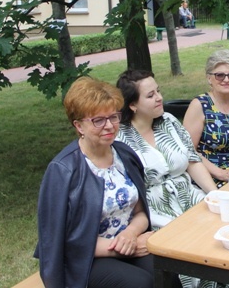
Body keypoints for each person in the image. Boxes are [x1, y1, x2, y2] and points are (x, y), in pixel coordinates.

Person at [35, 76, 154, 288]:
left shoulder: (124, 155)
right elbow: (59, 242)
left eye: (114, 117)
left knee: (166, 268)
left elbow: (140, 213)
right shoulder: (62, 171)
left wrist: (130, 234)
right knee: (138, 283)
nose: (109, 126)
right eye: (98, 120)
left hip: (127, 243)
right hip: (84, 259)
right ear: (79, 125)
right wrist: (121, 248)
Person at [115, 69, 217, 229]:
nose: (159, 98)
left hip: (190, 197)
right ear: (132, 105)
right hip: (155, 212)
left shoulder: (169, 122)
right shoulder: (119, 139)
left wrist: (215, 194)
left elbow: (193, 162)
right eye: (150, 95)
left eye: (158, 91)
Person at [183, 49, 229, 187]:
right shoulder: (200, 105)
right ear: (209, 78)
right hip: (206, 177)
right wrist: (219, 173)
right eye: (219, 75)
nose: (226, 79)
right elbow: (188, 151)